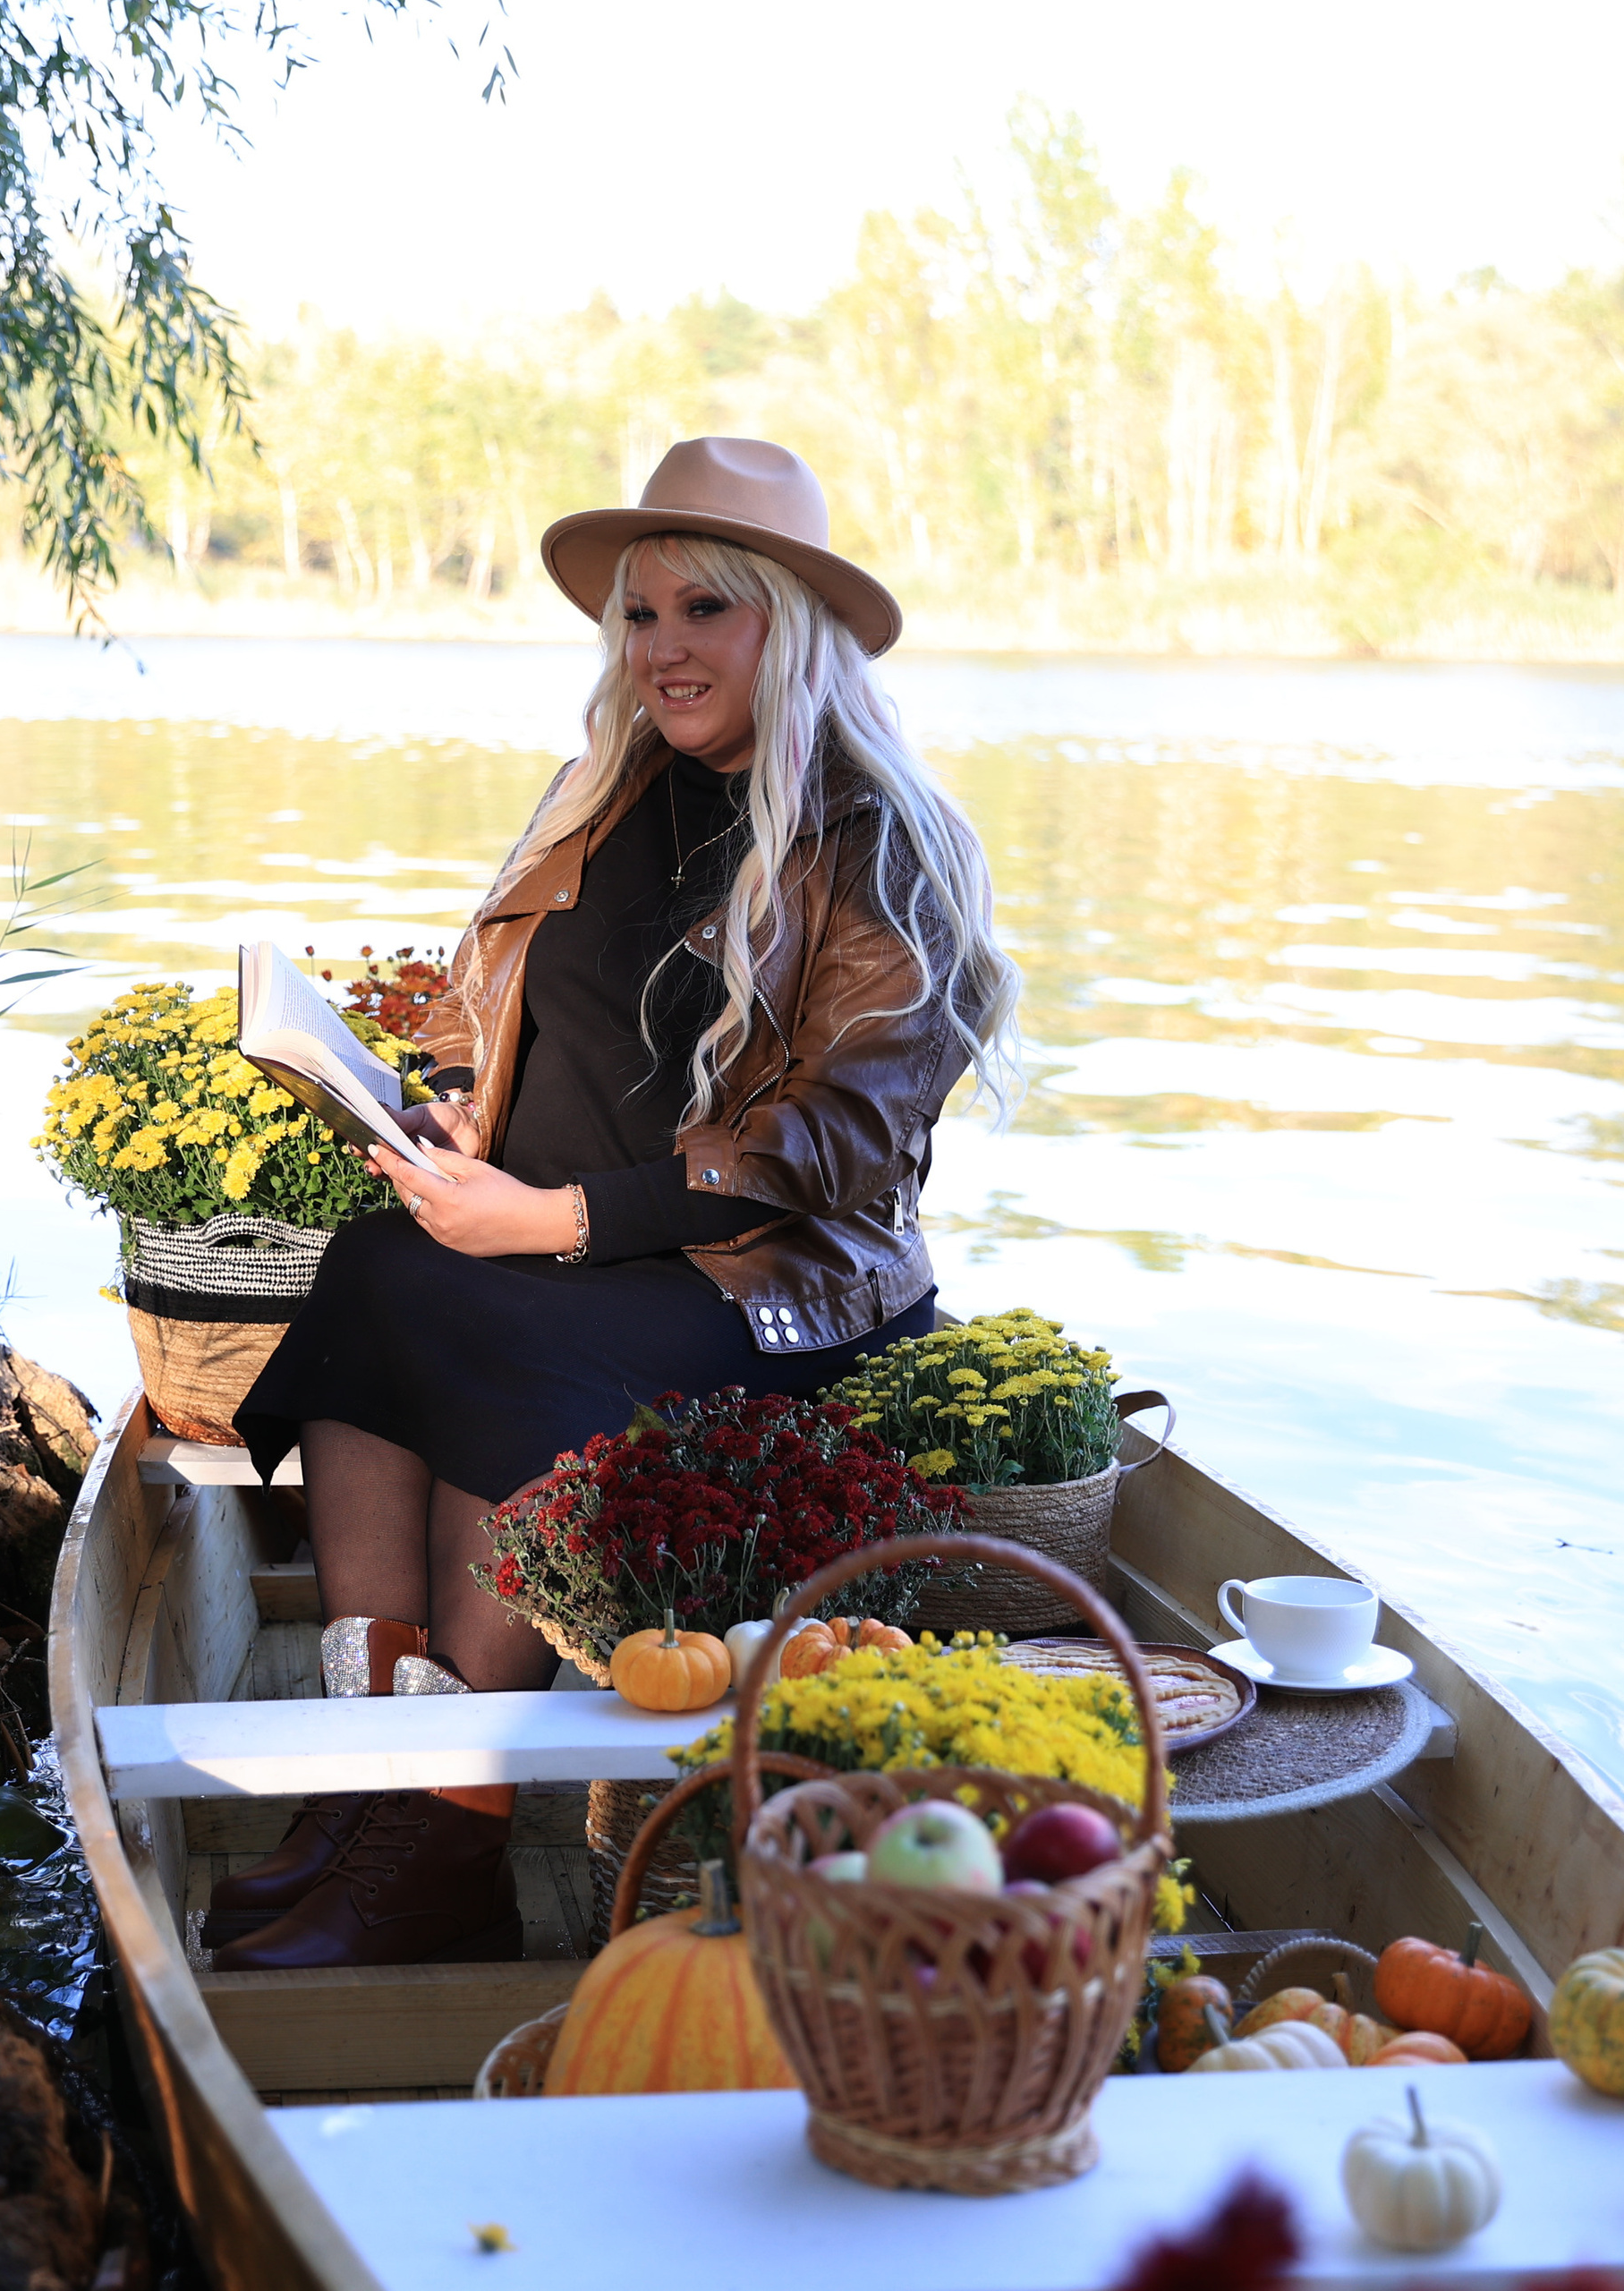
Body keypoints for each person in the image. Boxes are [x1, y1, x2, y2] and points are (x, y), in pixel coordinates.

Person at [209, 437, 1019, 1972]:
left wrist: (562, 1222)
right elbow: (507, 1012)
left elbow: (844, 1134)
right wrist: (453, 1105)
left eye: (703, 610)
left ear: (789, 623)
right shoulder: (605, 793)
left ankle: (442, 1837)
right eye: (639, 618)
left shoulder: (882, 838)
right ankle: (376, 1794)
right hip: (559, 1241)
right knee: (382, 1266)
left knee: (499, 1330)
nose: (662, 651)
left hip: (762, 1291)